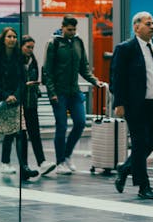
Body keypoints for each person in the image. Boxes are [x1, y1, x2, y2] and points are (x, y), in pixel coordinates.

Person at [111, 12, 153, 200]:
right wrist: (119, 103)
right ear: (136, 27)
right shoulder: (126, 49)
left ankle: (125, 168)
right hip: (136, 105)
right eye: (148, 23)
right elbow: (117, 79)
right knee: (139, 143)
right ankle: (143, 186)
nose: (152, 26)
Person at [42, 15, 106, 174]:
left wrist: (94, 81)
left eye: (74, 29)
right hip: (59, 93)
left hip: (74, 91)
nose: (72, 32)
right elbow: (47, 72)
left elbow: (83, 67)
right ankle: (60, 162)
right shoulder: (53, 43)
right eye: (69, 29)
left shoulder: (78, 42)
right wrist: (52, 93)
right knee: (62, 126)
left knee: (80, 122)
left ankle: (67, 155)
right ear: (62, 27)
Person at [0, 27, 37, 181]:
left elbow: (22, 80)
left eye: (14, 36)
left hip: (14, 101)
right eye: (9, 36)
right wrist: (5, 96)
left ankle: (24, 166)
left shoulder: (19, 57)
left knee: (19, 133)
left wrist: (15, 95)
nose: (12, 39)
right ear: (3, 39)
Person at [0, 35, 56, 177]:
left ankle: (41, 162)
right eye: (28, 47)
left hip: (31, 101)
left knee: (34, 132)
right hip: (17, 102)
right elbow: (11, 81)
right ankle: (6, 162)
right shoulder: (15, 61)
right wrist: (24, 86)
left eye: (32, 47)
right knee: (13, 132)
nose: (30, 50)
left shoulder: (32, 61)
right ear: (21, 46)